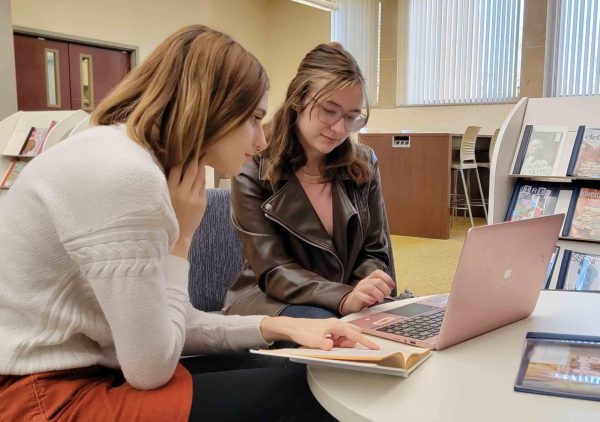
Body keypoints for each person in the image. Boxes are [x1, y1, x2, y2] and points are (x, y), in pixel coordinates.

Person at [0, 25, 378, 421]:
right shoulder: (125, 175)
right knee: (305, 394)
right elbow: (151, 368)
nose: (261, 140)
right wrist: (182, 240)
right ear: (211, 107)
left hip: (88, 372)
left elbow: (168, 324)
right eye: (253, 118)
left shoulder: (129, 158)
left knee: (294, 366)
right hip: (42, 397)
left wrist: (281, 329)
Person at [223, 43, 396, 320]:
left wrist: (363, 290)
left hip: (345, 296)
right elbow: (274, 269)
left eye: (352, 117)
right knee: (328, 328)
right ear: (298, 98)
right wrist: (343, 298)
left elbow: (375, 251)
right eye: (329, 110)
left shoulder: (364, 164)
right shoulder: (254, 164)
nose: (340, 129)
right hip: (270, 299)